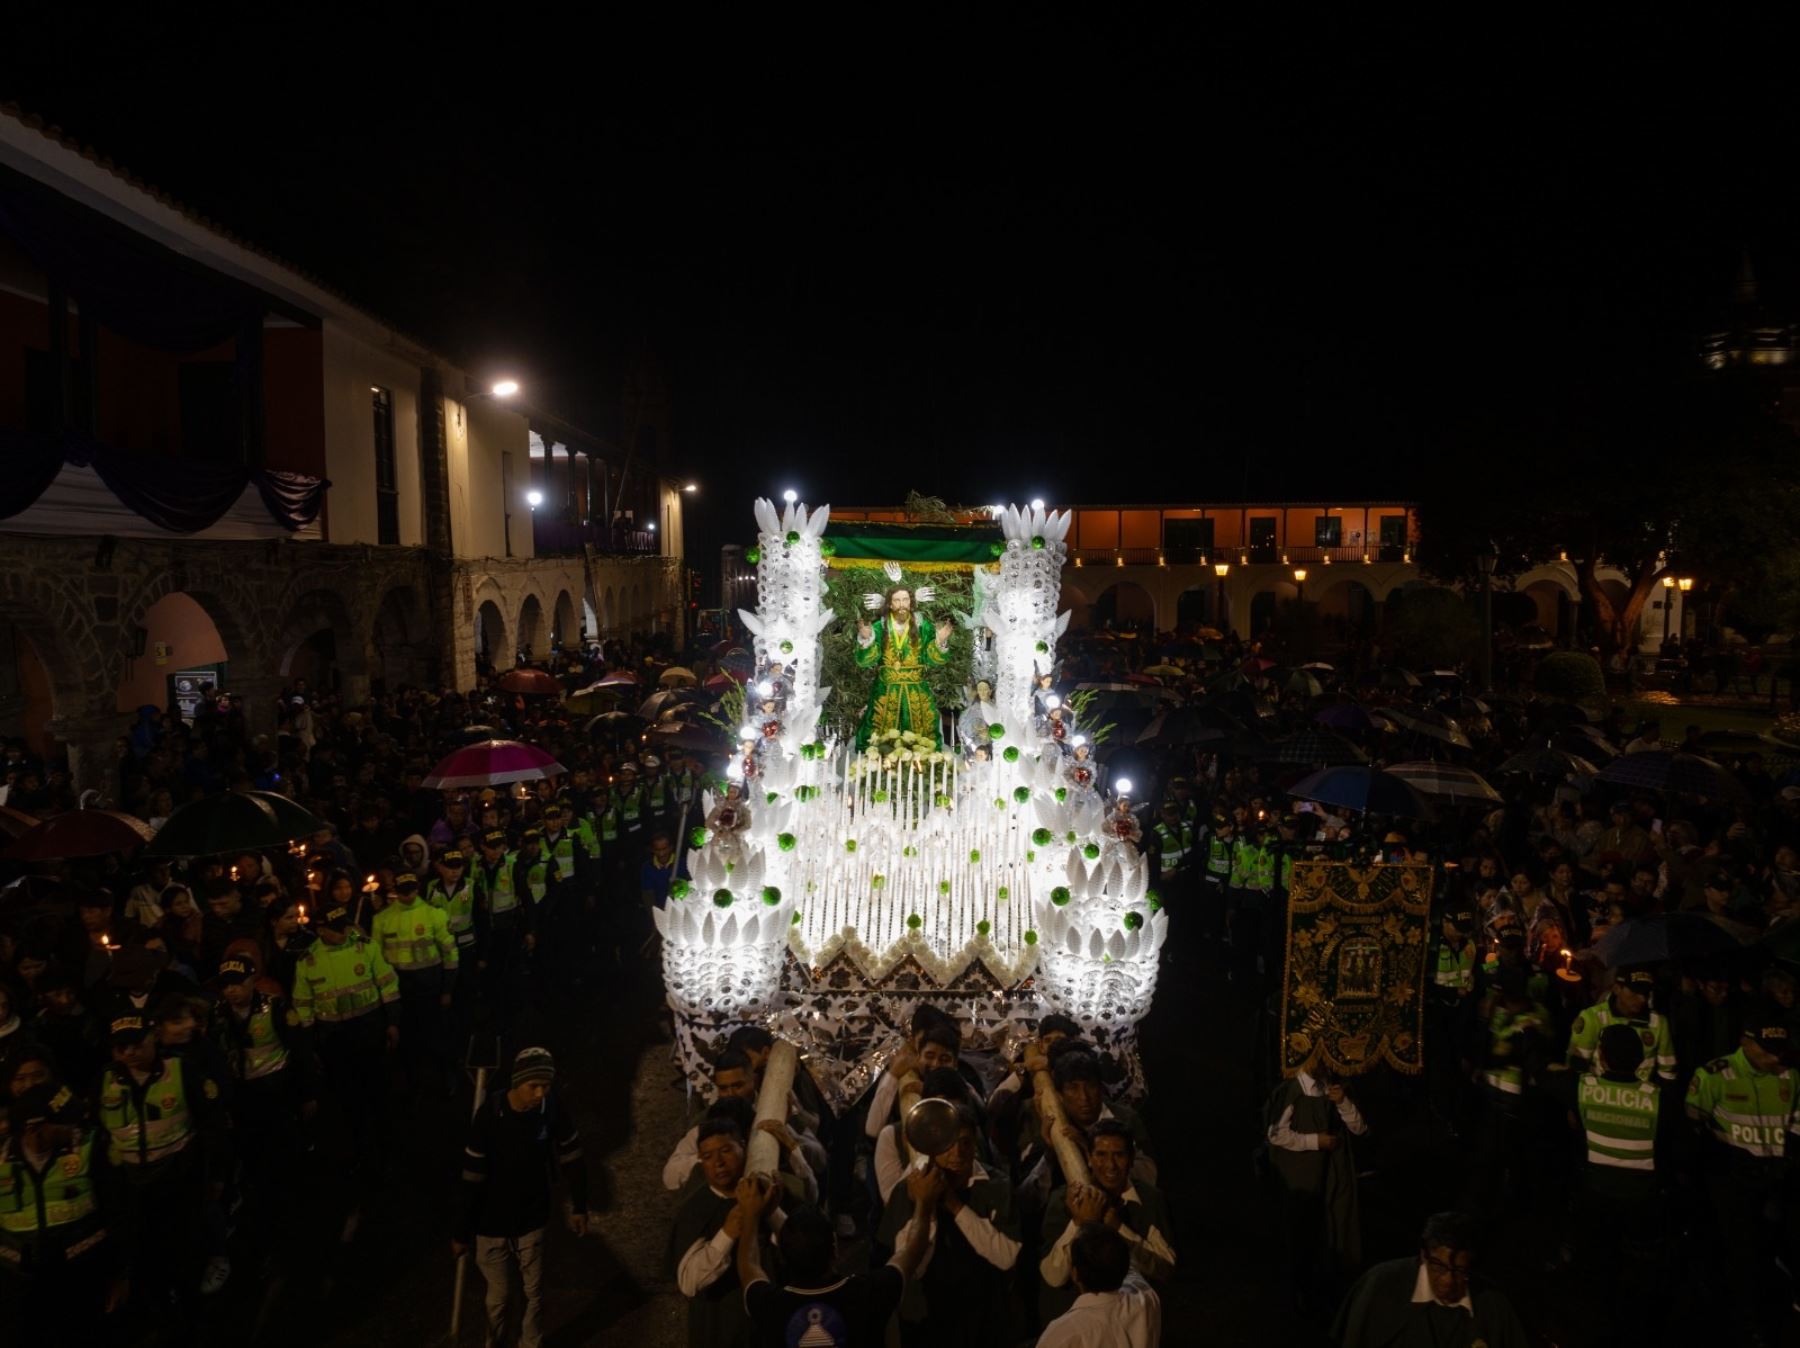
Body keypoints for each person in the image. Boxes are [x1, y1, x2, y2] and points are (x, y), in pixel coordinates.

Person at [454, 1047, 588, 1348]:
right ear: (517, 1083)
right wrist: (461, 1231)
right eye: (534, 1086)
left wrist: (580, 1204)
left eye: (546, 1086)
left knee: (534, 1292)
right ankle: (495, 1342)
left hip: (532, 1218)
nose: (540, 1093)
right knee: (499, 1297)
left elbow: (572, 1155)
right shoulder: (489, 1114)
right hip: (491, 1223)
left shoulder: (550, 1108)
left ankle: (530, 1343)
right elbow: (472, 1176)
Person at [1684, 1011, 1800, 1342]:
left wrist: (1789, 1156)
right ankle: (1747, 1319)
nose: (1775, 1056)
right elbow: (1694, 1123)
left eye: (1779, 1049)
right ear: (1745, 1043)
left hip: (1777, 1178)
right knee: (1742, 1251)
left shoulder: (1790, 1075)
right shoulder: (1714, 1075)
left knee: (1772, 1245)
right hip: (1732, 1180)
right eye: (1766, 1049)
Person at [877, 1098, 1021, 1347]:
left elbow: (1007, 1257)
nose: (957, 1153)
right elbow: (912, 1266)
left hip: (982, 1316)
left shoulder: (997, 1185)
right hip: (925, 1317)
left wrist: (954, 1204)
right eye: (949, 1144)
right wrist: (925, 1204)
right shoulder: (907, 1190)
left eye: (965, 1143)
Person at [734, 1182, 929, 1348]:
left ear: (783, 1256)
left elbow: (748, 1265)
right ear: (835, 1249)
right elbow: (912, 1251)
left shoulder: (770, 1305)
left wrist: (751, 1215)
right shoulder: (867, 1293)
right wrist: (924, 1201)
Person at [0, 1084, 124, 1340]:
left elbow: (117, 1214)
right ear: (35, 1129)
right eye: (67, 1123)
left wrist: (119, 1272)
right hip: (19, 1286)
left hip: (82, 1278)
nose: (76, 1128)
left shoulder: (91, 1149)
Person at [289, 896, 400, 1177]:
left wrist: (393, 1023)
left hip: (369, 1032)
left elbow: (388, 986)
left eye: (345, 926)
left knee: (380, 1094)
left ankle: (389, 1150)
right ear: (320, 930)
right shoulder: (308, 961)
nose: (344, 932)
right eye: (336, 928)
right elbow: (303, 1005)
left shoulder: (366, 948)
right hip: (334, 1042)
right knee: (350, 1101)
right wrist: (309, 1043)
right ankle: (362, 1151)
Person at [1039, 1119, 1175, 1325]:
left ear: (1131, 1159)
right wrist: (1079, 1222)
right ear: (1089, 1158)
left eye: (1119, 1155)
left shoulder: (1149, 1199)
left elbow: (1165, 1269)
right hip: (1076, 1323)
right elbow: (1053, 1277)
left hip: (1131, 1320)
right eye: (1101, 1155)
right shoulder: (1064, 1200)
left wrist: (1119, 1228)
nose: (1110, 1165)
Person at [1331, 1211, 1530, 1347]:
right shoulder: (1381, 1287)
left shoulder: (1492, 1307)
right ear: (1424, 1256)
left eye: (1459, 1270)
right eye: (1439, 1267)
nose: (1448, 1281)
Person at [1265, 1066, 1367, 1312]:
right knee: (1303, 1231)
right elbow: (1275, 1134)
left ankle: (1333, 1292)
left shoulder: (1335, 1087)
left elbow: (1359, 1128)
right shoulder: (1291, 1090)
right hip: (1303, 1174)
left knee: (1334, 1226)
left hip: (1332, 1173)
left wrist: (1342, 1102)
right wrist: (1314, 1141)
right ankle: (1301, 1293)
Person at [670, 1117, 756, 1348]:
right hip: (717, 1325)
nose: (718, 1163)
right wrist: (727, 1233)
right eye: (707, 1157)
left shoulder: (762, 1193)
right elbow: (689, 1282)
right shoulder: (695, 1209)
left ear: (743, 1147)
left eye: (726, 1151)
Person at [370, 871, 458, 1096]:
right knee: (407, 1038)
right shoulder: (382, 919)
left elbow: (450, 954)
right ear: (396, 892)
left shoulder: (434, 915)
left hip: (429, 985)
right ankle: (412, 1081)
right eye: (403, 891)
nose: (408, 895)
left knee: (436, 1034)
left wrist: (447, 988)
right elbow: (377, 959)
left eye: (411, 890)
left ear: (417, 888)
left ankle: (445, 1076)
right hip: (400, 989)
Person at [1036, 1223, 1162, 1348]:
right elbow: (1128, 1267)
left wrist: (1078, 1222)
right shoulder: (1145, 1299)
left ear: (1074, 1273)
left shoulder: (1062, 1334)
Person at [1567, 968, 1676, 1084]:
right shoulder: (1592, 1018)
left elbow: (1667, 1071)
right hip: (1601, 1094)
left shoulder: (1658, 1022)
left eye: (1646, 993)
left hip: (1640, 1097)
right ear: (1616, 989)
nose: (1642, 999)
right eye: (1635, 992)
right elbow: (1577, 1066)